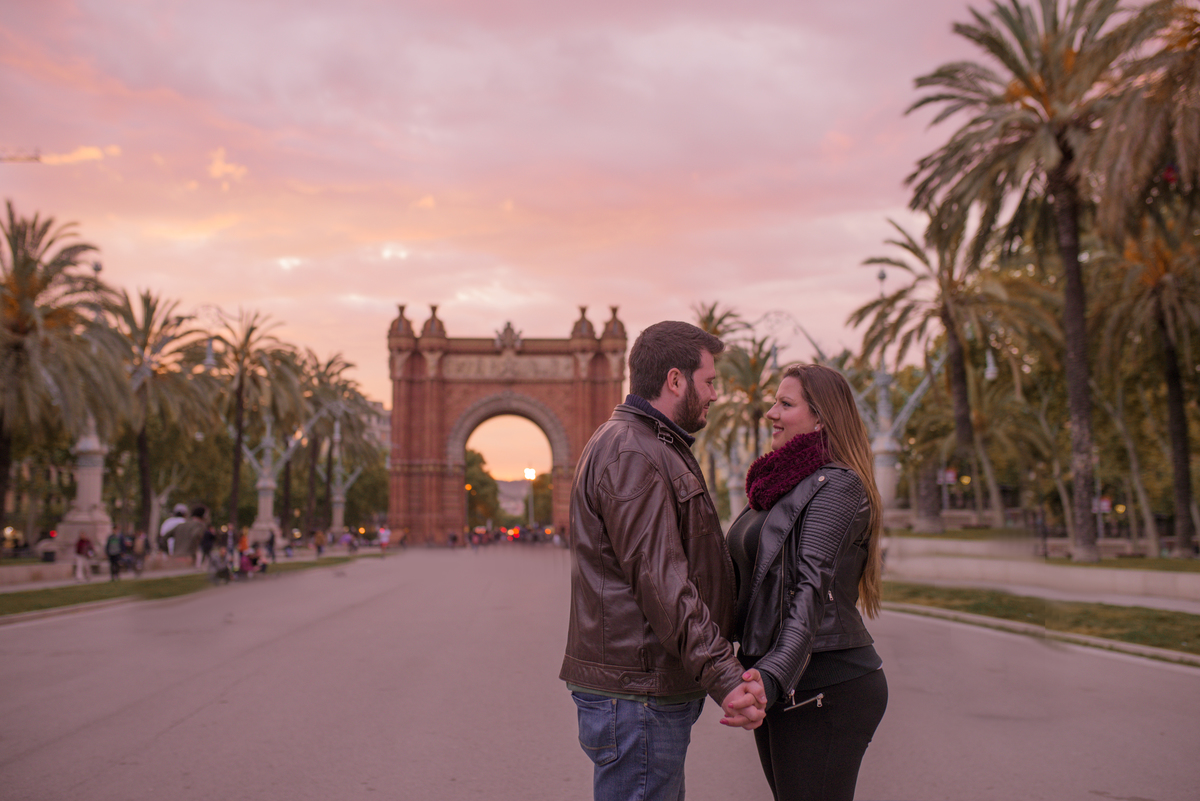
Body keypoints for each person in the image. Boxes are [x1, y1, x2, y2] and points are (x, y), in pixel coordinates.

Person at [560, 320, 766, 801]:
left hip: (641, 690)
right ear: (675, 380)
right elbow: (662, 582)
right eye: (709, 381)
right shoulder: (634, 451)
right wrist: (725, 677)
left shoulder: (644, 443)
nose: (715, 394)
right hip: (638, 695)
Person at [725, 364, 887, 801]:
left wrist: (771, 676)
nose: (771, 413)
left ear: (820, 418)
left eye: (786, 403)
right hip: (782, 681)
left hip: (826, 684)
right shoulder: (775, 487)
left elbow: (809, 590)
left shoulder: (838, 485)